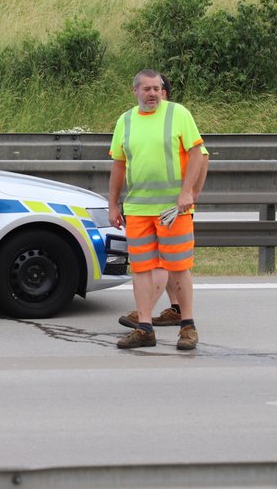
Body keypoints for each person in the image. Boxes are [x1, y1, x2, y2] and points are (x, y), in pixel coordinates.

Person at [109, 69, 206, 350]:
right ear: (135, 91)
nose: (153, 93)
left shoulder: (178, 113)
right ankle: (145, 328)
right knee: (141, 268)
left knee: (179, 268)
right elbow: (118, 164)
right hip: (138, 208)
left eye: (157, 88)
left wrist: (188, 192)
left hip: (172, 210)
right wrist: (112, 204)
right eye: (147, 89)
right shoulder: (125, 121)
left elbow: (198, 153)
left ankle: (187, 327)